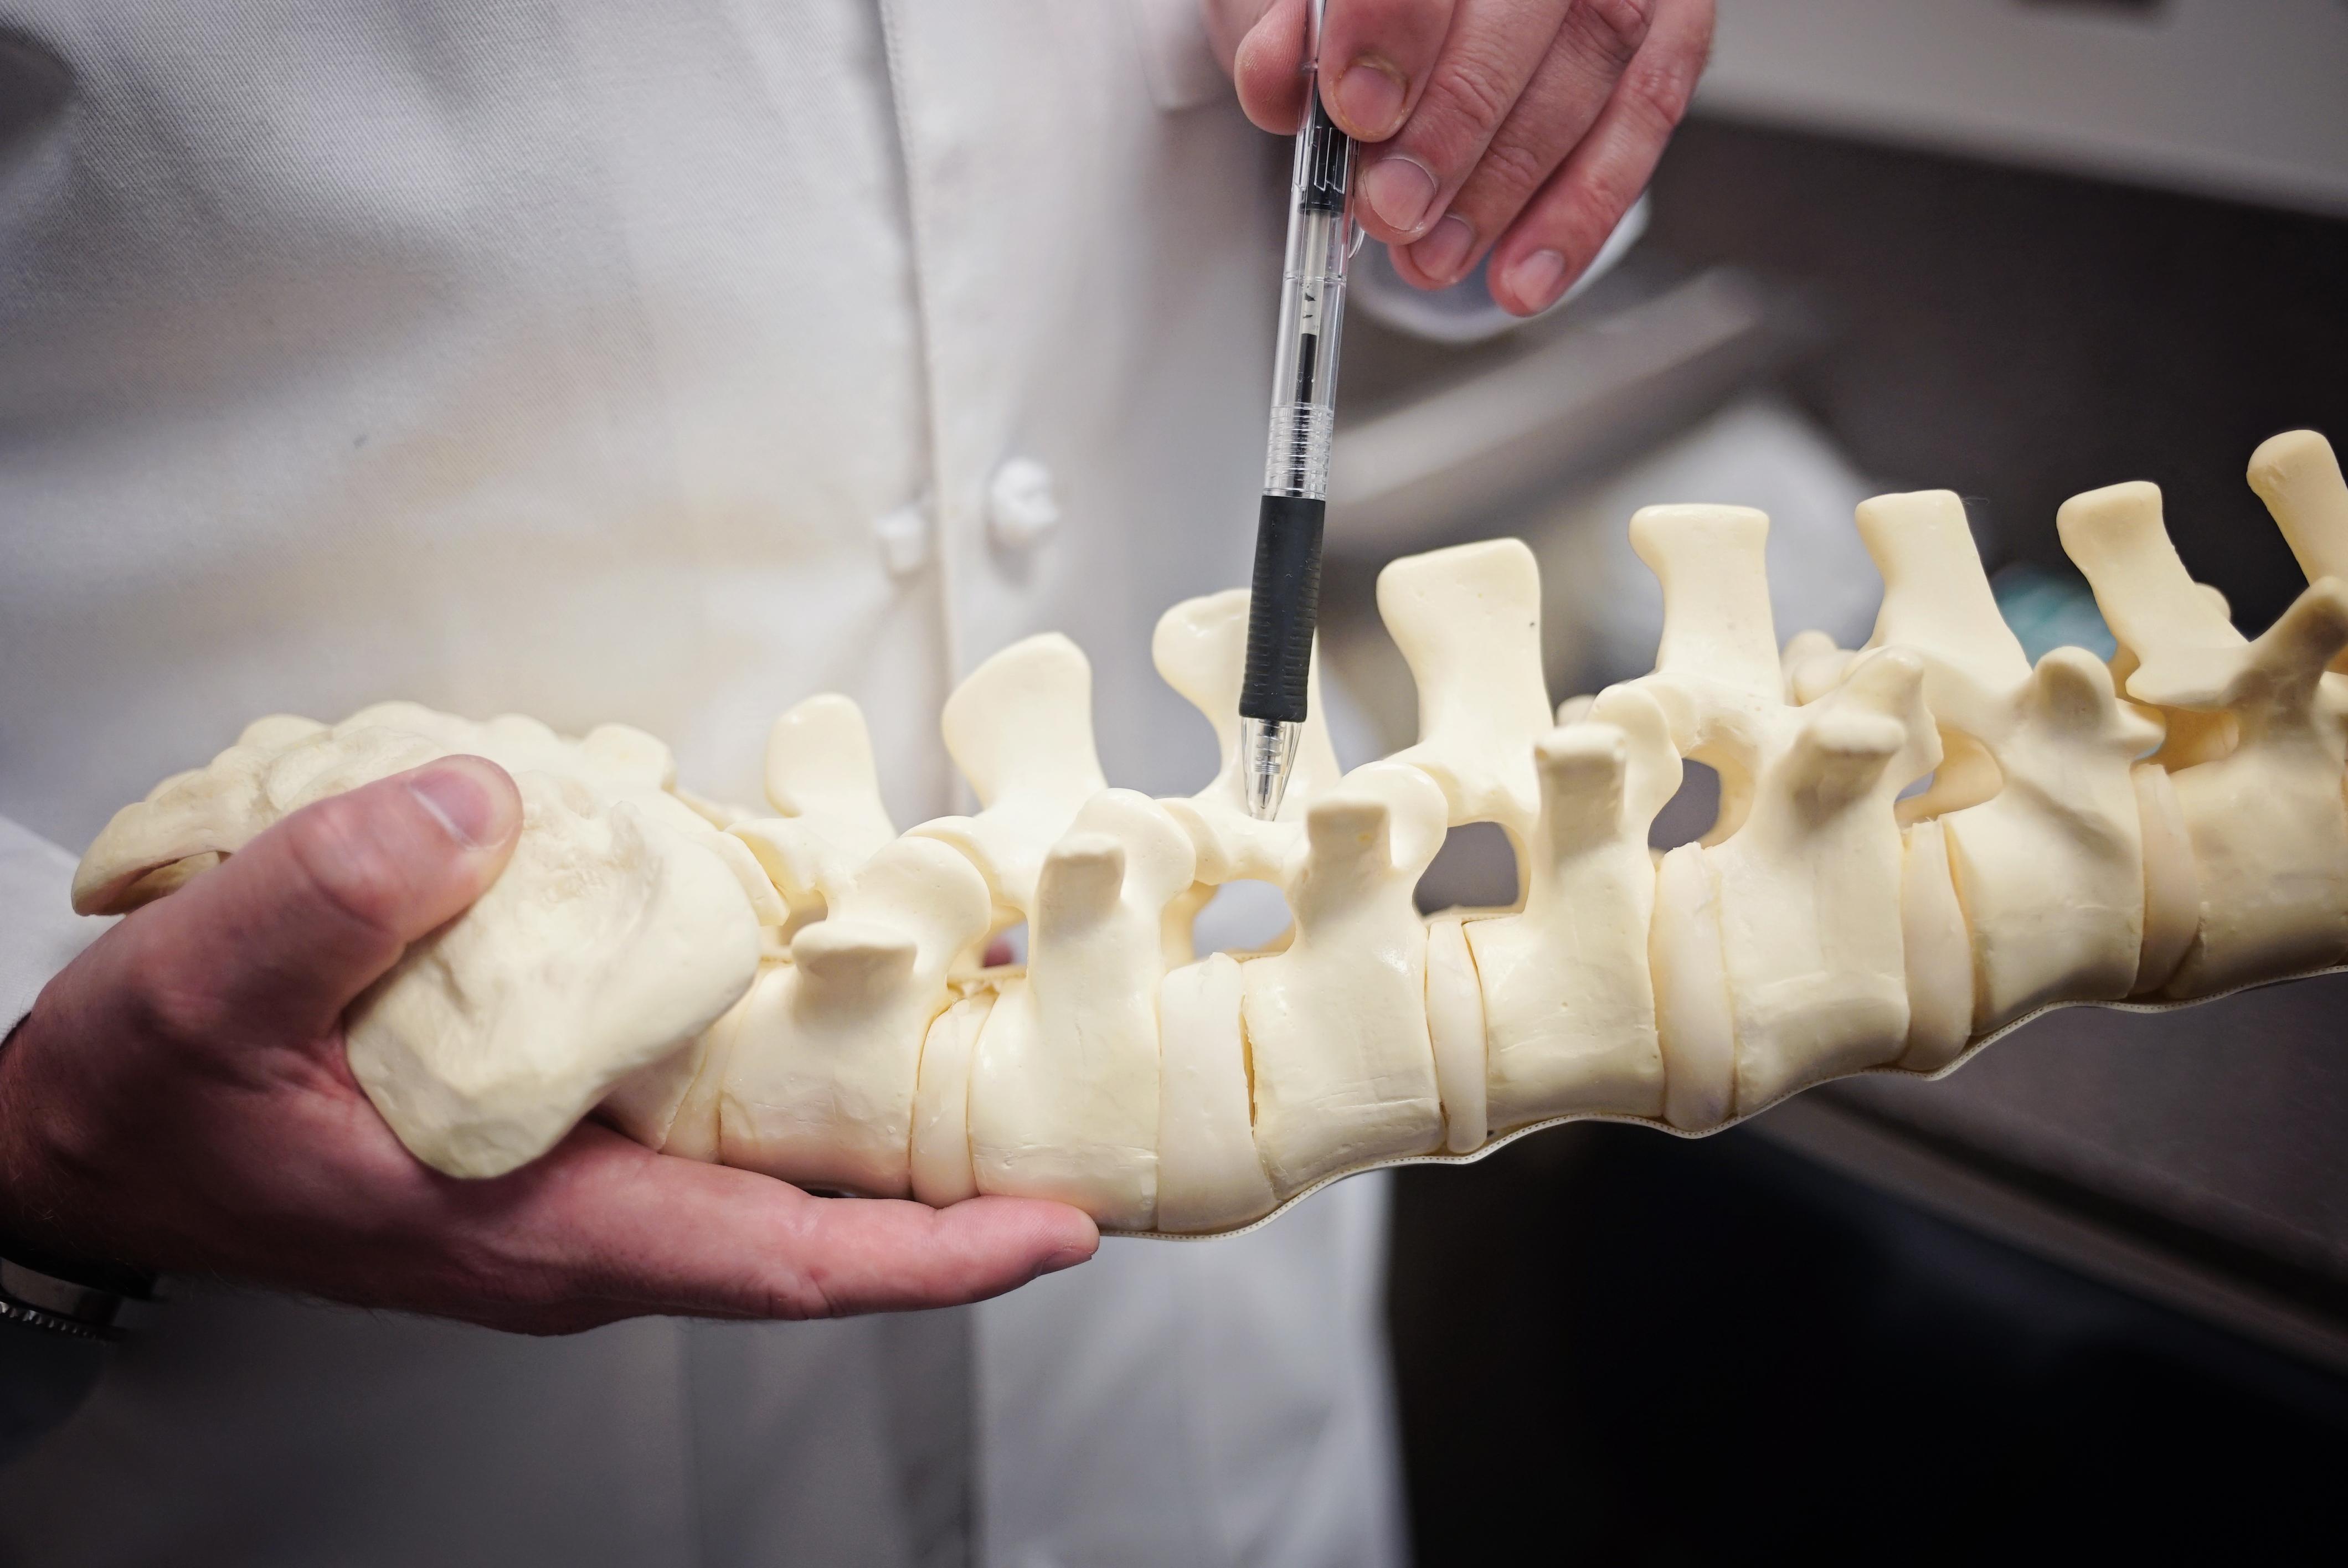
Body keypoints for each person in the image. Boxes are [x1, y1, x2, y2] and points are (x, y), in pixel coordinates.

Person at [0, 2, 1711, 1562]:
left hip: (1212, 1375)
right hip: (361, 1442)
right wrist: (33, 1115)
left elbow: (1443, 185)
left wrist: (1517, 76)